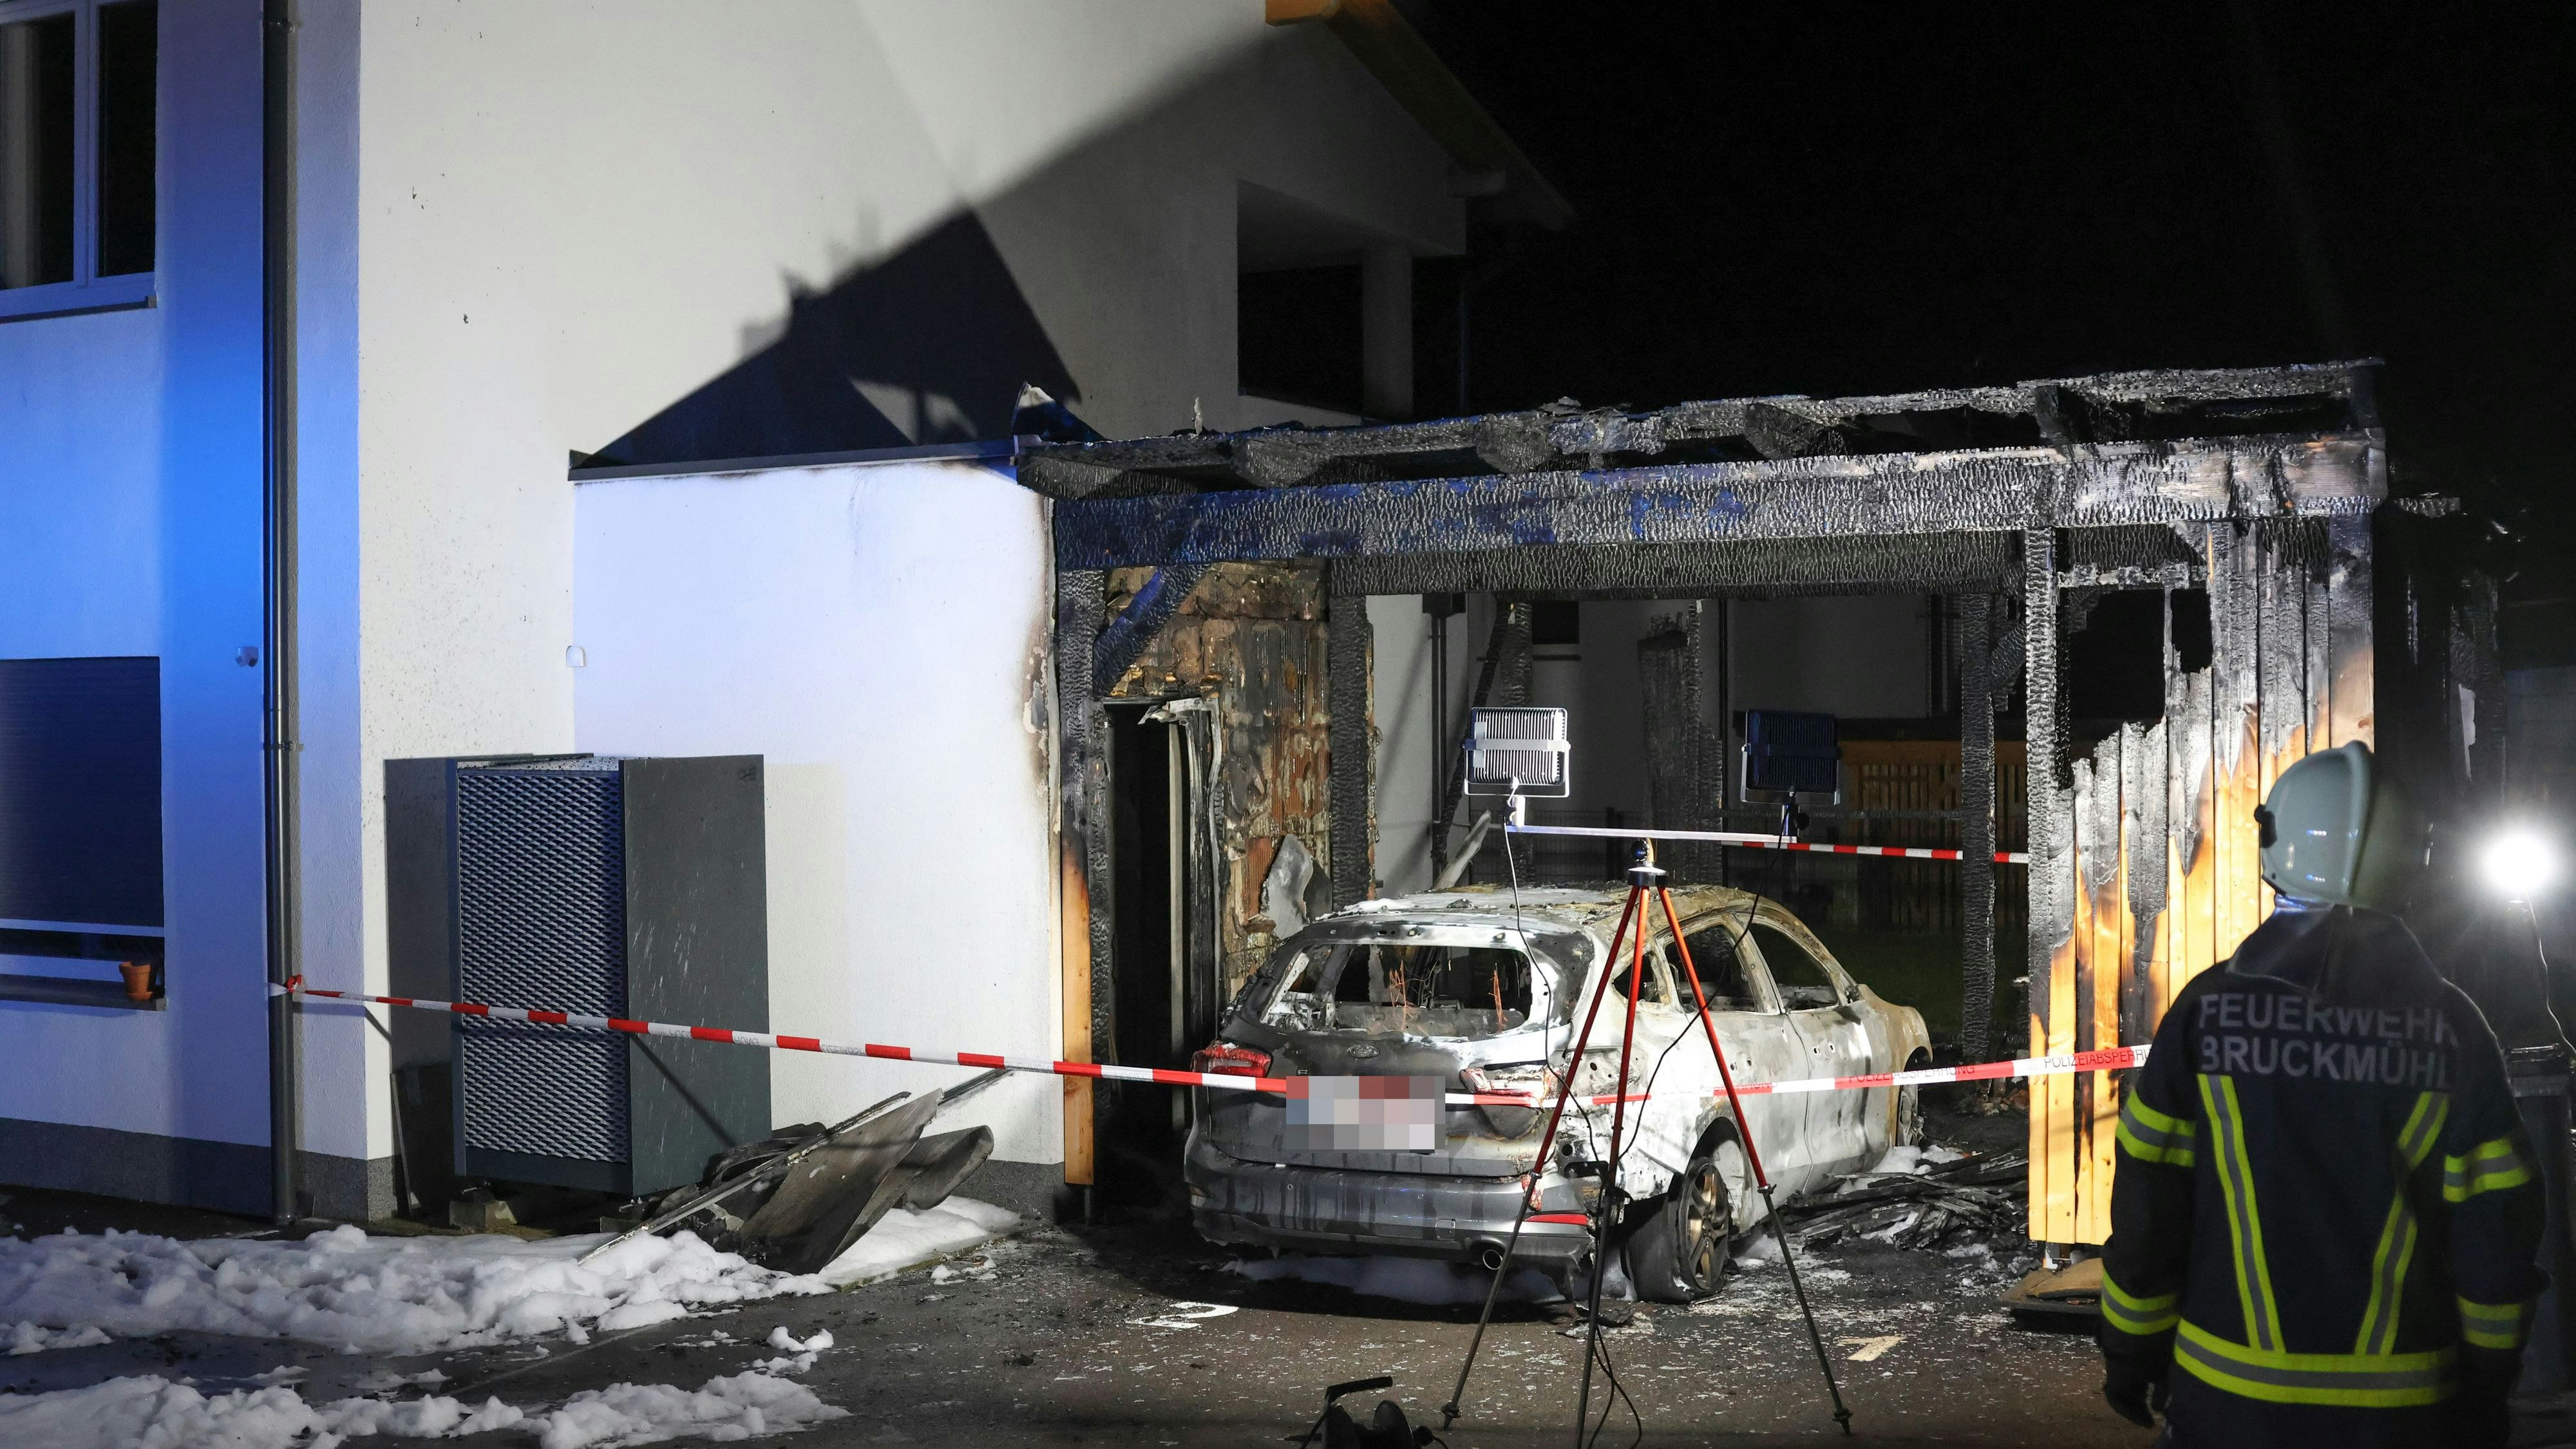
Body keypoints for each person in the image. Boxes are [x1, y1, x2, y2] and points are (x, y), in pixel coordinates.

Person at [2098, 742, 2547, 1446]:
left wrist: (2129, 1351)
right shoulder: (2453, 1029)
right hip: (2406, 1412)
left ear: (2272, 843)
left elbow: (2148, 1210)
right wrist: (2490, 1382)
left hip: (2227, 1405)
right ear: (2412, 862)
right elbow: (2498, 1231)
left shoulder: (2203, 1012)